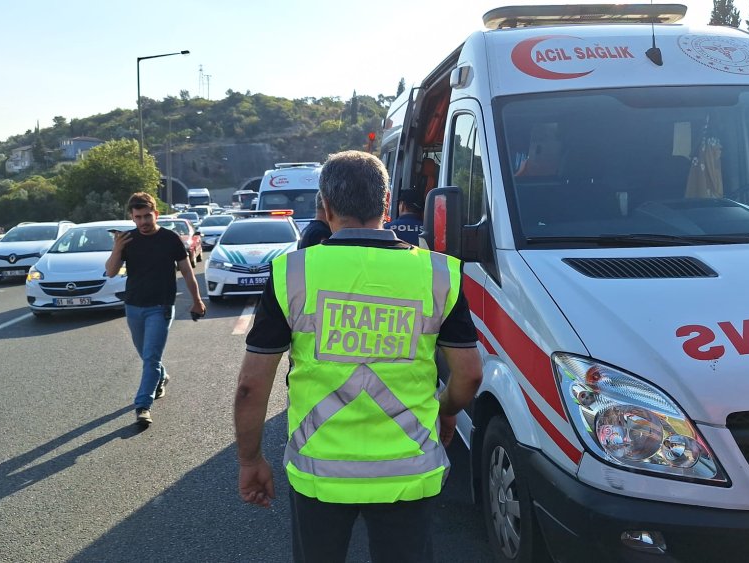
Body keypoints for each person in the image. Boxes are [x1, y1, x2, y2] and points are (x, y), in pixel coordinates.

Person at [234, 150, 483, 563]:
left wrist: (249, 459)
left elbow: (250, 386)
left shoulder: (291, 273)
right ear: (385, 204)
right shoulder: (439, 273)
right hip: (408, 470)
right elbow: (469, 375)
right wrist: (446, 409)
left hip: (320, 472)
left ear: (326, 207)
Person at [106, 192, 206, 427]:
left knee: (151, 357)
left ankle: (143, 406)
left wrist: (197, 300)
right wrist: (117, 248)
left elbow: (187, 272)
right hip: (133, 306)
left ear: (156, 214)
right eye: (138, 217)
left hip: (160, 307)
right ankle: (160, 377)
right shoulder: (126, 240)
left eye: (147, 216)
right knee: (147, 356)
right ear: (132, 217)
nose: (143, 222)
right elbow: (110, 272)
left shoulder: (170, 239)